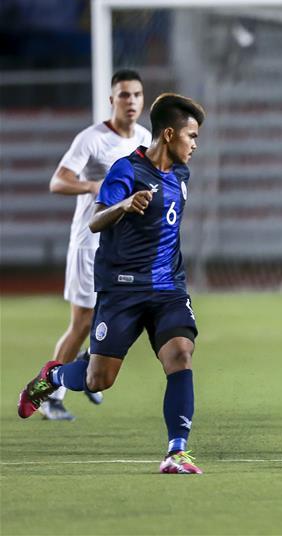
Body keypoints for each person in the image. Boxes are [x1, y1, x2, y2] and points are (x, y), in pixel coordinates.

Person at [18, 93, 207, 475]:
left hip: (168, 288)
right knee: (97, 379)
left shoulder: (182, 174)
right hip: (123, 289)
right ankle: (51, 376)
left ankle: (177, 451)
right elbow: (96, 220)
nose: (195, 144)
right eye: (191, 136)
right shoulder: (127, 171)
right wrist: (124, 206)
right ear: (169, 134)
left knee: (180, 355)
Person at [40, 68, 152, 420]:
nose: (130, 101)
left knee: (130, 314)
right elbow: (57, 183)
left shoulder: (146, 139)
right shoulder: (92, 139)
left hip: (124, 246)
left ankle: (89, 369)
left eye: (135, 95)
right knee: (83, 323)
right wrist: (95, 187)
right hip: (90, 243)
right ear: (111, 100)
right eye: (123, 95)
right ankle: (48, 394)